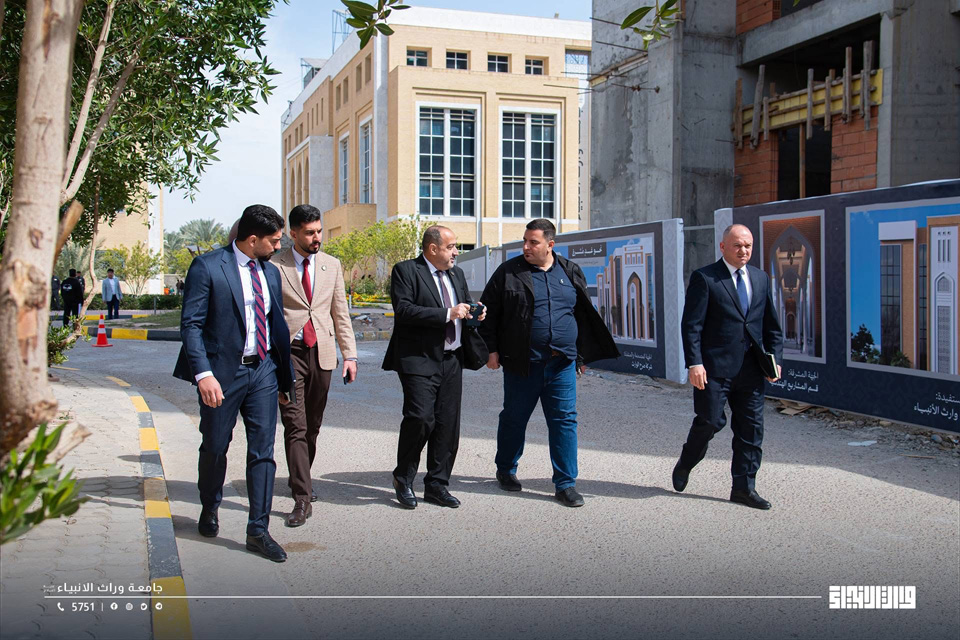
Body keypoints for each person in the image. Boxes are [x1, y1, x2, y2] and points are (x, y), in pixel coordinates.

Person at [173, 205, 296, 562]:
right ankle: (210, 504)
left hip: (263, 371)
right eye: (274, 240)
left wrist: (283, 379)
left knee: (263, 451)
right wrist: (204, 374)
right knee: (215, 446)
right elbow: (191, 325)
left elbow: (276, 326)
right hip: (221, 375)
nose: (278, 246)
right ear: (252, 239)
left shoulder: (270, 272)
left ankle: (258, 530)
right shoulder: (208, 266)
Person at [479, 219, 619, 507]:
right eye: (525, 241)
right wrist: (491, 351)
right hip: (523, 363)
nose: (526, 247)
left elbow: (581, 315)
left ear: (550, 245)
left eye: (533, 242)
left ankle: (565, 484)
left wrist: (580, 355)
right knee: (514, 418)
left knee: (564, 421)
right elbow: (488, 313)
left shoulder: (570, 271)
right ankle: (506, 469)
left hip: (561, 363)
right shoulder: (509, 272)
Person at [672, 223, 783, 510]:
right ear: (723, 247)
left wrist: (774, 360)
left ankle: (744, 489)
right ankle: (687, 461)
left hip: (752, 369)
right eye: (737, 245)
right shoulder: (706, 278)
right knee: (710, 421)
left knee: (751, 430)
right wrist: (694, 363)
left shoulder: (760, 278)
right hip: (714, 369)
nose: (743, 250)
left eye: (748, 245)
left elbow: (771, 325)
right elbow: (691, 325)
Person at [382, 225, 488, 509]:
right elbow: (404, 311)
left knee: (447, 424)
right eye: (451, 247)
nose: (456, 252)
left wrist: (474, 313)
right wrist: (448, 313)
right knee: (420, 418)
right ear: (432, 249)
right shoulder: (406, 271)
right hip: (418, 358)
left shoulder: (457, 274)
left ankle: (437, 484)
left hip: (452, 358)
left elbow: (462, 310)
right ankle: (403, 478)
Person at [273, 204, 358, 527]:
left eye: (319, 231)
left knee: (312, 425)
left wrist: (349, 356)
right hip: (289, 354)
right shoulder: (275, 265)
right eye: (309, 233)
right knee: (295, 425)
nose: (317, 237)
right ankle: (302, 498)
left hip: (321, 353)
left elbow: (340, 313)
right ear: (293, 234)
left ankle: (301, 476)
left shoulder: (331, 265)